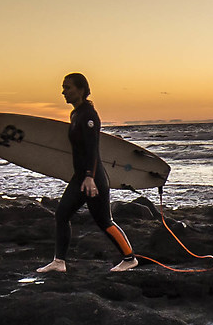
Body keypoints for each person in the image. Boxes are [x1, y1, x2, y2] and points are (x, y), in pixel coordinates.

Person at [37, 72, 139, 273]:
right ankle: (59, 262)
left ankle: (130, 259)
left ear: (81, 89)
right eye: (63, 87)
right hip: (81, 178)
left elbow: (93, 149)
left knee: (104, 221)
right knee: (62, 214)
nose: (63, 91)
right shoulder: (75, 114)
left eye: (67, 87)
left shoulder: (89, 115)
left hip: (93, 179)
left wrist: (90, 177)